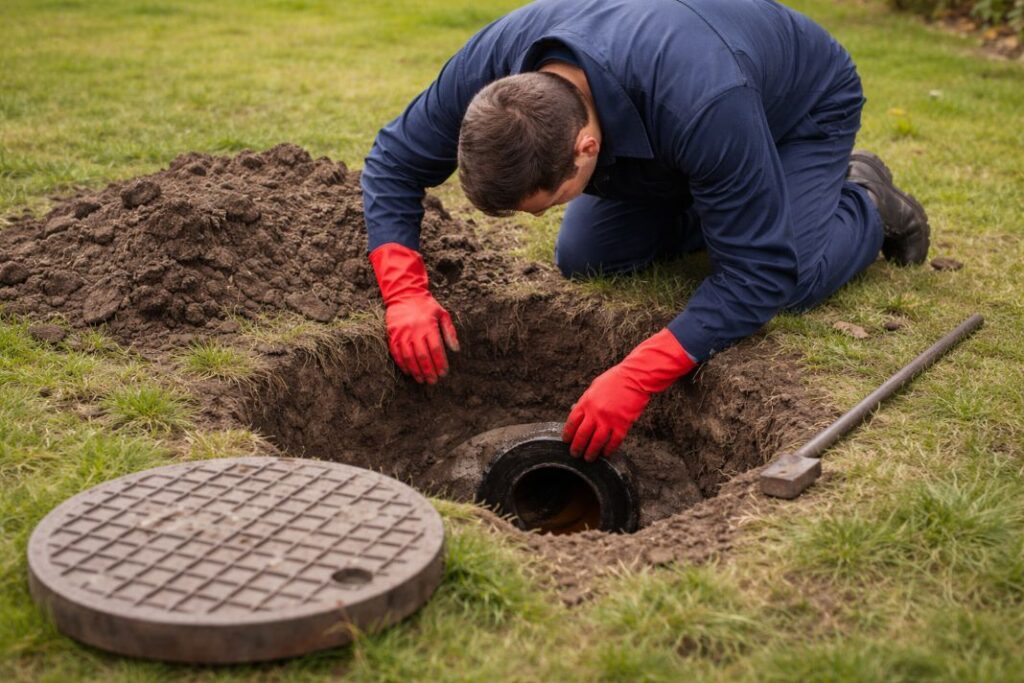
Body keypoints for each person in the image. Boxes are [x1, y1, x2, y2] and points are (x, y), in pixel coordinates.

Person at [361, 0, 930, 462]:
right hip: (691, 131)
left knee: (793, 277)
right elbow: (394, 161)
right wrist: (405, 294)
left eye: (549, 202)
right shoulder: (496, 70)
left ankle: (865, 200)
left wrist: (637, 376)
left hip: (797, 108)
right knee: (588, 256)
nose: (542, 217)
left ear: (586, 148)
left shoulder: (704, 100)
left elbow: (759, 276)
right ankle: (733, 198)